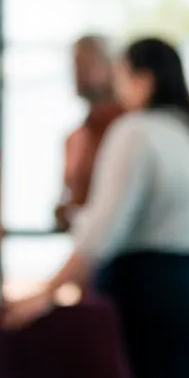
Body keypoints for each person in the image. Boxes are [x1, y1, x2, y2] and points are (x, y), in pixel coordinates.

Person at [1, 37, 189, 378]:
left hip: (152, 288)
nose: (116, 87)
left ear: (144, 79)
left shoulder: (134, 132)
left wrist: (47, 292)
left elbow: (103, 231)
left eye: (120, 75)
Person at [54, 34, 125, 232]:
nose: (78, 72)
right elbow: (71, 197)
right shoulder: (75, 138)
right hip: (89, 252)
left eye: (88, 63)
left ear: (112, 66)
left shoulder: (129, 129)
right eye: (76, 64)